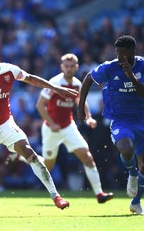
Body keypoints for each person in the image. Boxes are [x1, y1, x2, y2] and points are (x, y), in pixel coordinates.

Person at [0, 39, 78, 209]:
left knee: (30, 154)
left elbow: (32, 79)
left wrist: (57, 89)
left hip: (6, 125)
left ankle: (56, 196)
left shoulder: (10, 70)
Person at [77, 35, 144, 215]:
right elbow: (89, 78)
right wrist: (80, 107)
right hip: (119, 118)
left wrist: (131, 76)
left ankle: (136, 202)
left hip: (140, 118)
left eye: (124, 53)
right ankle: (132, 172)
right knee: (126, 148)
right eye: (118, 52)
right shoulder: (110, 67)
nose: (120, 57)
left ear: (133, 51)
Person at [35, 53, 113, 203]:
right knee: (48, 165)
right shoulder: (55, 82)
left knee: (87, 157)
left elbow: (81, 101)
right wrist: (51, 123)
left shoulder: (77, 84)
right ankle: (27, 158)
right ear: (61, 67)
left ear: (77, 67)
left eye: (72, 66)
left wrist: (88, 117)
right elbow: (40, 105)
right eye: (66, 66)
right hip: (51, 129)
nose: (69, 69)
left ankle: (99, 193)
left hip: (68, 126)